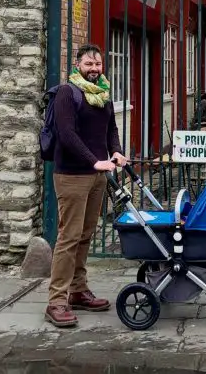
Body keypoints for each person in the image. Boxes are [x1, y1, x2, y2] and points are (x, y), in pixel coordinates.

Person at [45, 44, 128, 329]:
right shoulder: (68, 93)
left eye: (98, 64)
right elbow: (66, 134)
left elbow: (111, 129)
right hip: (72, 175)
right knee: (68, 237)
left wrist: (115, 152)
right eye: (89, 64)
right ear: (77, 65)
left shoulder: (102, 92)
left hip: (97, 175)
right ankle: (56, 301)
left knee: (85, 235)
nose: (94, 69)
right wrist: (94, 161)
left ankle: (78, 290)